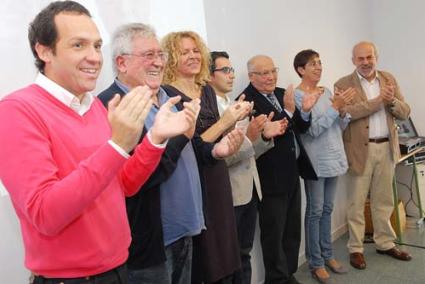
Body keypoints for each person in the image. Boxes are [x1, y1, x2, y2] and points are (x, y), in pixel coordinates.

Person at [0, 2, 197, 283]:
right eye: (78, 45)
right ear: (44, 51)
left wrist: (155, 138)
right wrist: (116, 146)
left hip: (118, 269)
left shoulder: (92, 106)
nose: (94, 57)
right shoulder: (16, 110)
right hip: (72, 279)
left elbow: (124, 185)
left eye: (96, 45)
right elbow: (45, 213)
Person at [98, 24, 242, 284]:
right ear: (121, 62)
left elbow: (193, 147)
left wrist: (216, 151)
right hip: (152, 244)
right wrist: (177, 138)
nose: (157, 62)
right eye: (148, 55)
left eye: (160, 55)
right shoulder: (111, 105)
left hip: (187, 229)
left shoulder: (170, 96)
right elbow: (135, 180)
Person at [161, 32, 249, 283]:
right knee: (207, 258)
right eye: (184, 52)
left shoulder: (206, 90)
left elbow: (214, 138)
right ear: (171, 58)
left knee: (225, 251)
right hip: (195, 181)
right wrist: (226, 122)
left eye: (195, 50)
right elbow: (191, 145)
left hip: (217, 175)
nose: (193, 56)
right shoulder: (169, 95)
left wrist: (235, 126)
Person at [209, 51, 287, 284]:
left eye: (232, 70)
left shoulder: (236, 104)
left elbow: (249, 152)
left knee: (244, 253)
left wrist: (263, 136)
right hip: (229, 195)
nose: (231, 75)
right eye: (225, 70)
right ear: (209, 76)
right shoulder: (209, 111)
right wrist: (252, 139)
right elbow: (219, 158)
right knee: (229, 260)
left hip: (250, 189)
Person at [334, 41, 412, 270]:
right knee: (356, 203)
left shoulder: (389, 79)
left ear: (376, 57)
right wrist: (379, 101)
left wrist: (393, 102)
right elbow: (347, 112)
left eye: (369, 57)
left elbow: (405, 112)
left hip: (387, 148)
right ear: (353, 61)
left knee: (384, 199)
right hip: (359, 150)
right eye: (361, 58)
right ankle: (356, 248)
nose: (366, 62)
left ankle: (385, 243)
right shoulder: (342, 84)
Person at [241, 55, 318, 284]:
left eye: (272, 71)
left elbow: (299, 128)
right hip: (270, 179)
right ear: (251, 77)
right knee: (274, 234)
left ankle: (288, 274)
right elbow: (278, 129)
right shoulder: (246, 102)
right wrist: (289, 112)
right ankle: (276, 279)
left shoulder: (282, 93)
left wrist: (303, 111)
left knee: (292, 231)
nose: (270, 77)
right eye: (263, 73)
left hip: (292, 173)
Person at [293, 49, 355, 283]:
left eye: (320, 63)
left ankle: (328, 255)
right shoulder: (299, 97)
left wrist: (342, 110)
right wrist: (334, 107)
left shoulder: (327, 91)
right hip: (315, 163)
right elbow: (312, 130)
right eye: (312, 64)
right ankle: (316, 262)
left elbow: (339, 126)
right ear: (301, 70)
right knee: (315, 212)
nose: (319, 67)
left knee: (327, 209)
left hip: (335, 158)